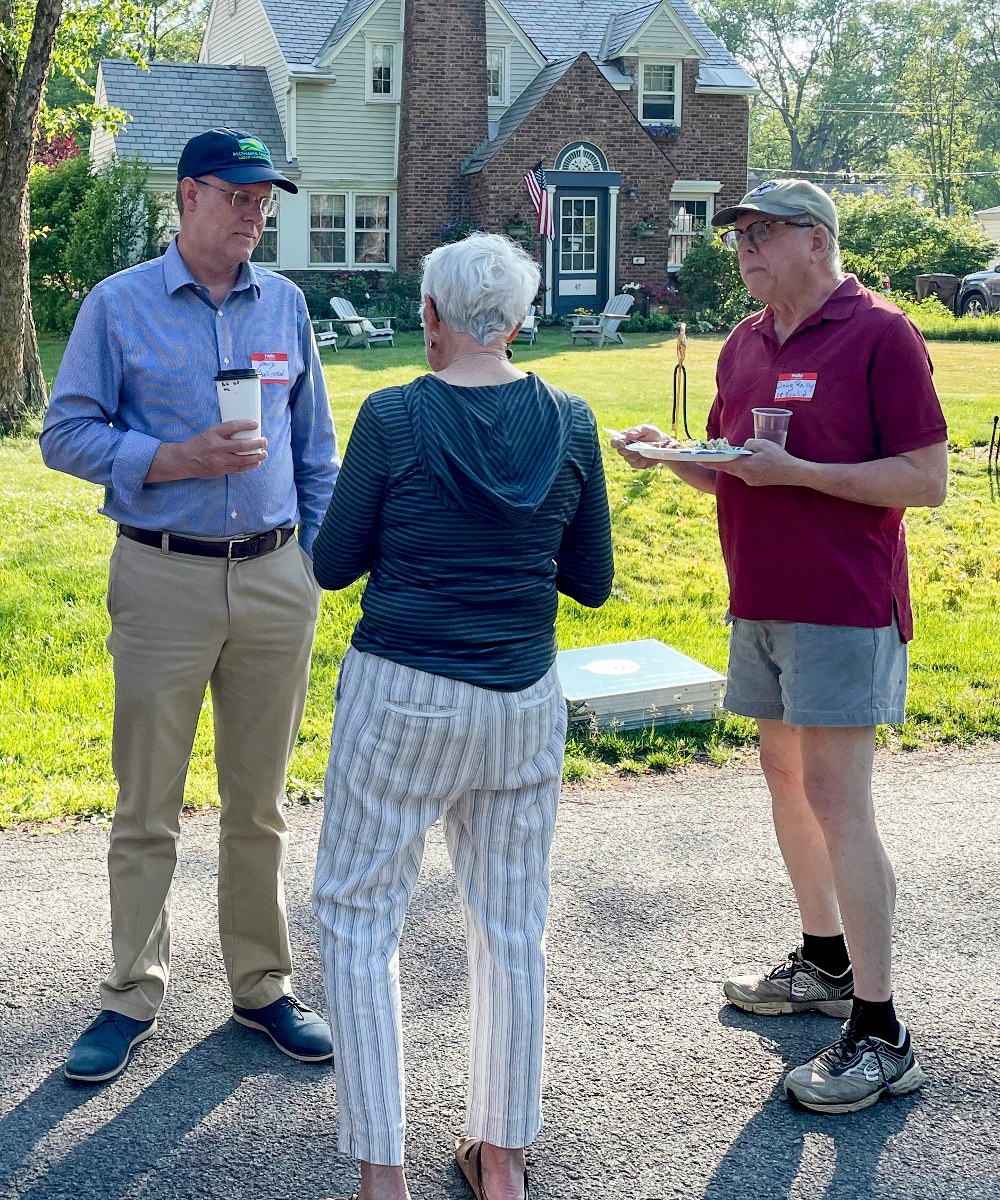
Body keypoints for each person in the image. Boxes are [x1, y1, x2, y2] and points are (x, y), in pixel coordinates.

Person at [615, 179, 948, 1114]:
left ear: (819, 238)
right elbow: (734, 478)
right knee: (787, 780)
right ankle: (826, 962)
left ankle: (884, 1032)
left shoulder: (881, 333)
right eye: (740, 237)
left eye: (764, 233)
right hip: (758, 599)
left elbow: (927, 482)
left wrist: (799, 472)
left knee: (841, 798)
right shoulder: (745, 342)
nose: (747, 248)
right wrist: (669, 454)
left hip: (844, 604)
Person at [311, 234, 614, 1200]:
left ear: (432, 319)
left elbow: (332, 561)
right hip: (521, 698)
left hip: (404, 690)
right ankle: (504, 1160)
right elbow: (593, 581)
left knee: (360, 919)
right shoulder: (569, 421)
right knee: (511, 924)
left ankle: (381, 1174)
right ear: (519, 323)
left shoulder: (395, 417)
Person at [40, 128, 339, 1084]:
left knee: (259, 804)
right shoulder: (118, 304)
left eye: (267, 201)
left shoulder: (285, 305)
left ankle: (261, 986)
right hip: (162, 575)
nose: (257, 213)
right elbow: (64, 432)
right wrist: (169, 460)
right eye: (241, 196)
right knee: (147, 802)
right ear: (190, 198)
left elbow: (316, 447)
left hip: (273, 577)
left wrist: (314, 564)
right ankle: (132, 992)